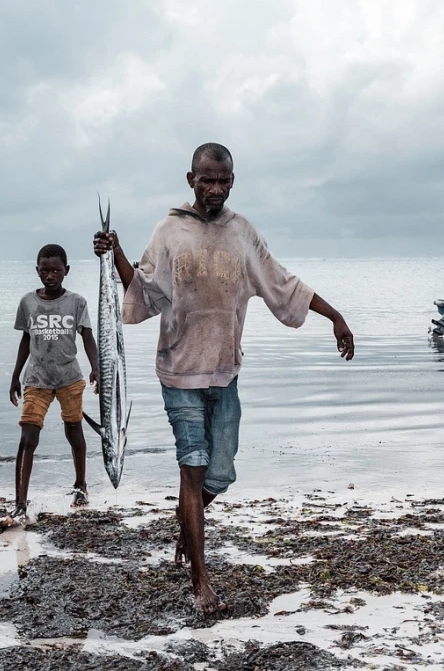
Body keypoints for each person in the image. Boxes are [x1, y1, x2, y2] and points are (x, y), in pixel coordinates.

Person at [93, 143, 354, 614]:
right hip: (178, 373)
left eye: (223, 181)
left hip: (225, 374)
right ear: (190, 179)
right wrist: (114, 254)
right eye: (207, 180)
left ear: (232, 180)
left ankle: (186, 523)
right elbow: (142, 289)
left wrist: (334, 316)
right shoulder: (169, 230)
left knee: (220, 472)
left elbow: (283, 284)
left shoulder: (242, 234)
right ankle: (200, 580)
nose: (215, 189)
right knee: (191, 468)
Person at [3, 244, 99, 527]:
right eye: (44, 270)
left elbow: (88, 337)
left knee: (74, 431)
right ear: (37, 271)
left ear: (66, 271)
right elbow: (25, 339)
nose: (50, 275)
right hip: (37, 380)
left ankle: (81, 485)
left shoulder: (77, 302)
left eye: (56, 270)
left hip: (70, 379)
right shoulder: (28, 302)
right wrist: (14, 376)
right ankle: (20, 503)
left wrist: (97, 368)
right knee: (28, 438)